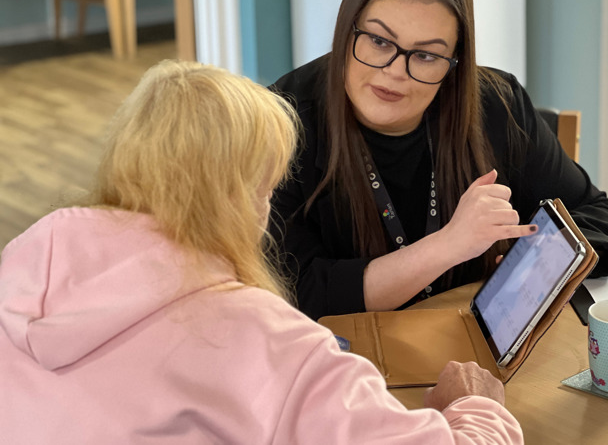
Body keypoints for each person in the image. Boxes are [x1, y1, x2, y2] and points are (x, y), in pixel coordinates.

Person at [0, 60, 523, 444]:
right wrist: (477, 409)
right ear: (234, 196)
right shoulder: (267, 342)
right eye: (268, 187)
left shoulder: (27, 262)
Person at [269, 0, 608, 321]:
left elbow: (592, 215)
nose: (394, 71)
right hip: (342, 365)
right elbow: (291, 293)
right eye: (379, 41)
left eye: (426, 56)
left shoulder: (498, 105)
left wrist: (534, 268)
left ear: (455, 63)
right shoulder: (277, 122)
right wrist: (447, 246)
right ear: (346, 30)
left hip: (476, 348)